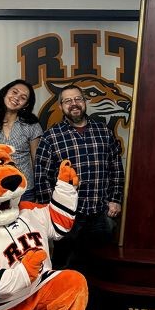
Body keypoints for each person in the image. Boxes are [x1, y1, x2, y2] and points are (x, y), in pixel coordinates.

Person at [34, 84, 124, 270]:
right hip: (68, 215)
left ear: (85, 102)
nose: (73, 104)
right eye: (68, 101)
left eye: (78, 99)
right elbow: (42, 175)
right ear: (61, 106)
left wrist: (115, 199)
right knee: (64, 264)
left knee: (101, 265)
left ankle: (96, 299)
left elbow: (116, 166)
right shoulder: (51, 136)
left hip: (101, 212)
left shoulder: (103, 131)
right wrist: (50, 212)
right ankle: (64, 299)